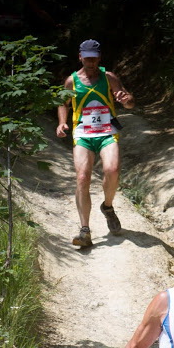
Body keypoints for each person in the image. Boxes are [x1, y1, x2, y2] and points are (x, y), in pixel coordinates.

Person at [56, 39, 135, 247]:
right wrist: (62, 123)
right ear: (80, 57)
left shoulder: (109, 78)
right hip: (82, 133)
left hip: (107, 131)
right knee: (82, 177)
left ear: (99, 58)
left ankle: (107, 207)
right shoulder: (71, 81)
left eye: (94, 58)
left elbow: (129, 102)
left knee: (112, 169)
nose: (90, 61)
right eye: (87, 57)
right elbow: (62, 103)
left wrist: (126, 99)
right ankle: (84, 230)